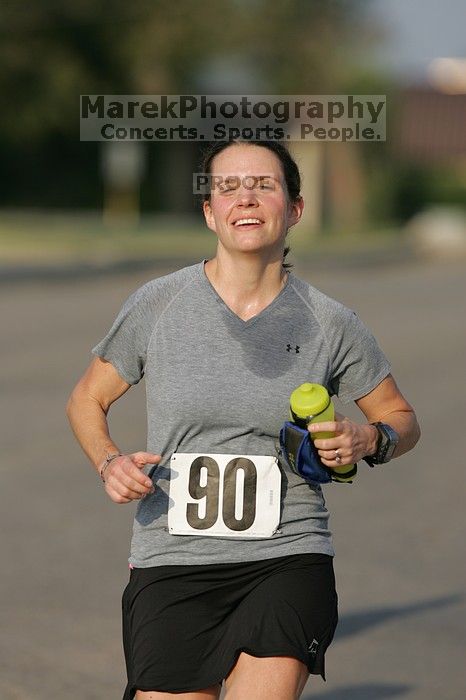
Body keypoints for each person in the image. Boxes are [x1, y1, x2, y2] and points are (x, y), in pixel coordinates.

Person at [67, 139, 420, 700]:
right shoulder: (158, 304)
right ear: (209, 212)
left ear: (295, 208)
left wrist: (369, 437)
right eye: (228, 187)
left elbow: (402, 418)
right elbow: (86, 400)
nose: (245, 198)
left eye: (264, 184)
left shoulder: (331, 323)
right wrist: (108, 463)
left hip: (288, 553)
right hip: (173, 557)